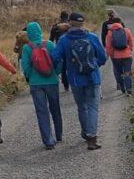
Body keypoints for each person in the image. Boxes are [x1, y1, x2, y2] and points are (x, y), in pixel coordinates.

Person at [51, 12, 108, 150]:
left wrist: (62, 69)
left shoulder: (64, 40)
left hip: (75, 80)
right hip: (93, 78)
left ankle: (85, 133)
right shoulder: (92, 37)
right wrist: (94, 66)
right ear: (83, 23)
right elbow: (103, 57)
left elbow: (55, 57)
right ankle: (92, 137)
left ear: (69, 23)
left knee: (82, 107)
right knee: (93, 108)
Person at [20, 21, 62, 149]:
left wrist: (30, 77)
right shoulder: (49, 44)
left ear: (28, 34)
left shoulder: (27, 48)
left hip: (36, 83)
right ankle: (59, 134)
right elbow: (58, 60)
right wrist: (56, 73)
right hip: (52, 81)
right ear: (40, 31)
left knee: (41, 111)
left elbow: (25, 67)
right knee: (55, 108)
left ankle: (48, 140)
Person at [104, 20, 134, 95]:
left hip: (116, 57)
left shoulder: (110, 33)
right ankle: (129, 89)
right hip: (127, 56)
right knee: (127, 72)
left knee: (119, 72)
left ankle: (122, 88)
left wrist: (112, 55)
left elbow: (108, 47)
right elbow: (131, 42)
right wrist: (130, 50)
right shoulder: (127, 31)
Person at [49, 12, 72, 91]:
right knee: (71, 66)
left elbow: (51, 40)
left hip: (60, 49)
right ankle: (73, 83)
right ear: (68, 17)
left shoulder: (55, 27)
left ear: (60, 17)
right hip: (71, 49)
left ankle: (66, 86)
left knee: (63, 68)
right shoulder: (70, 26)